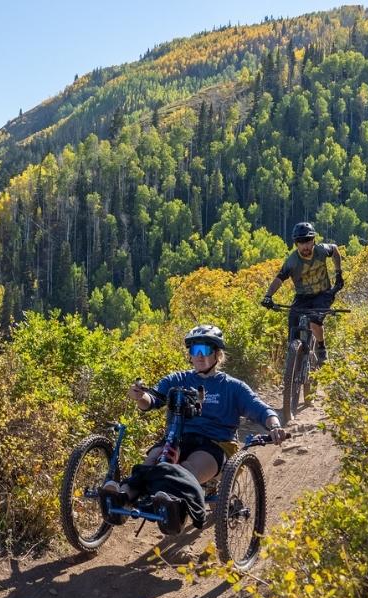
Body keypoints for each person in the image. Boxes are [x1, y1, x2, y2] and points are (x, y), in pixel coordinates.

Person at [100, 325, 287, 529]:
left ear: (217, 354)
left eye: (205, 350)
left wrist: (274, 426)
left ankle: (169, 501)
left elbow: (261, 409)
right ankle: (122, 496)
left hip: (215, 444)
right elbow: (152, 401)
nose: (199, 355)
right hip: (177, 438)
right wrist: (140, 396)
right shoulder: (177, 379)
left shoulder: (233, 387)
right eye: (194, 350)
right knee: (151, 461)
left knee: (187, 468)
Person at [260, 222, 344, 362]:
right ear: (296, 244)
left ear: (313, 241)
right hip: (303, 296)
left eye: (308, 241)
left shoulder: (321, 250)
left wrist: (338, 273)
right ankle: (293, 363)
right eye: (301, 242)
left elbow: (335, 250)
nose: (305, 245)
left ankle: (321, 347)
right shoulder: (292, 261)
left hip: (323, 294)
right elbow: (279, 278)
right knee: (293, 323)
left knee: (314, 321)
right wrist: (268, 296)